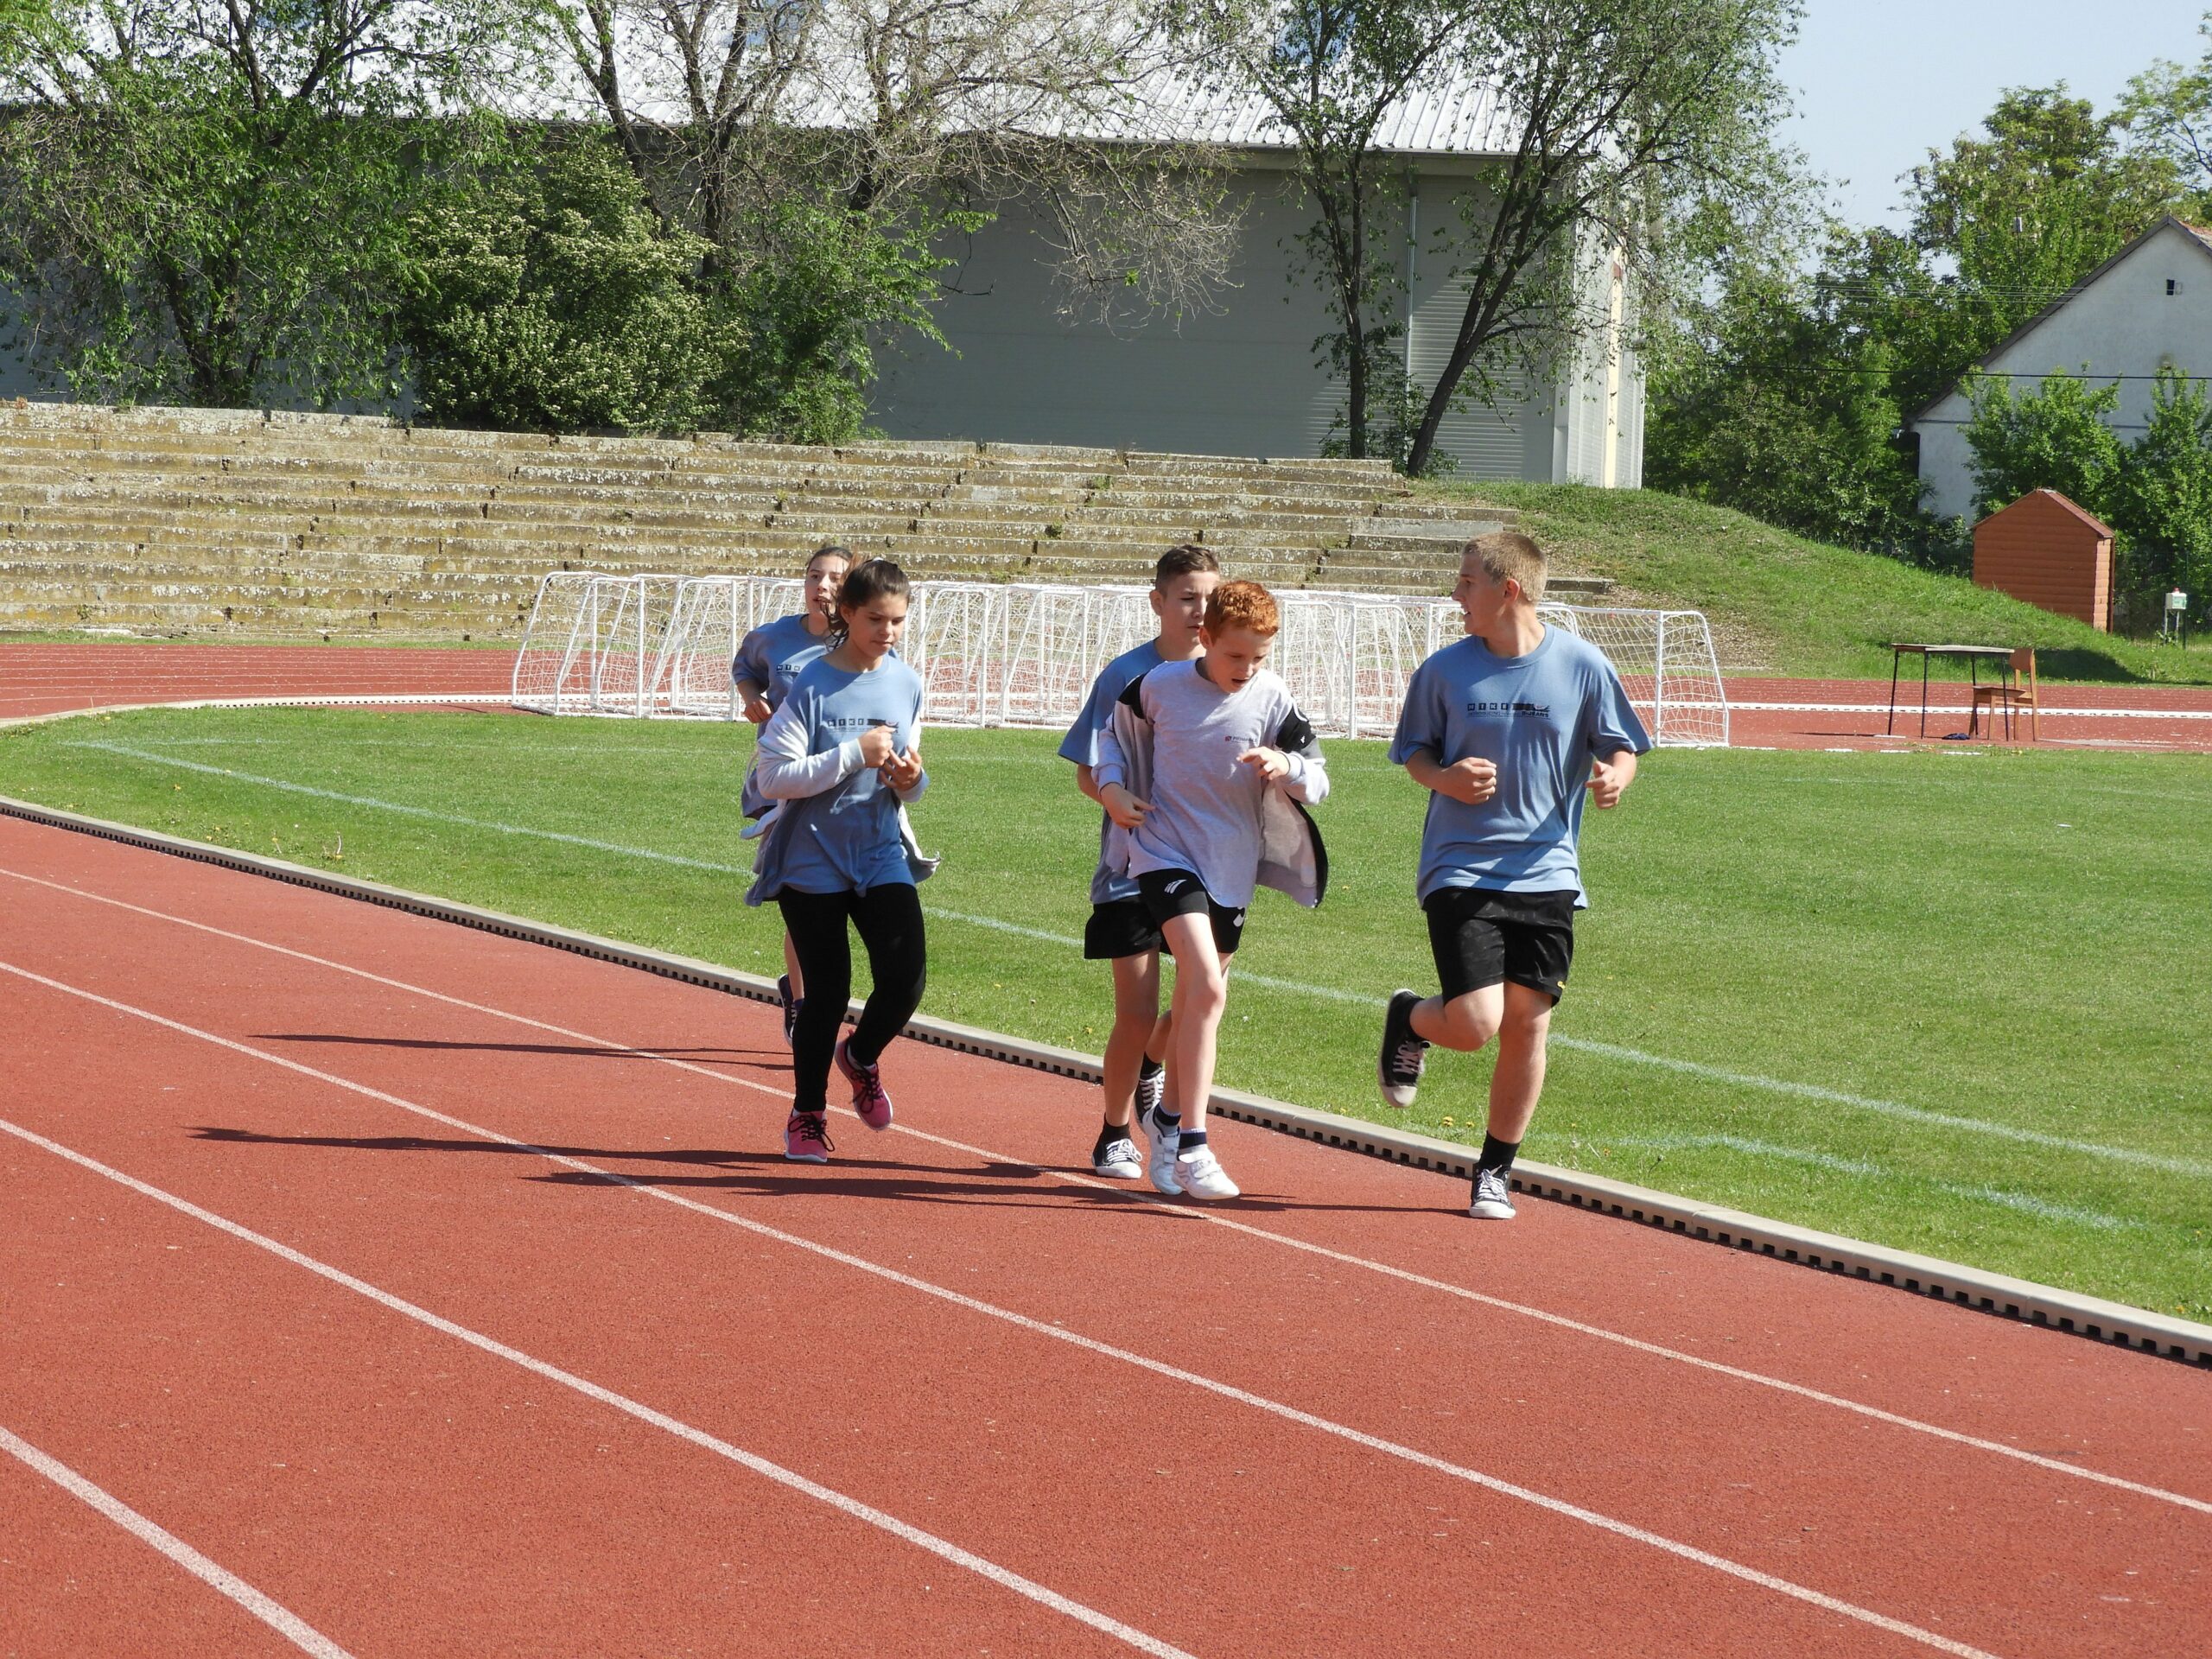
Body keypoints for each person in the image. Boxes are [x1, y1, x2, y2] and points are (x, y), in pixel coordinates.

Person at [1378, 531, 1649, 1219]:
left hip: (1549, 868)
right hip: (1461, 865)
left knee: (1527, 1025)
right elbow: (1414, 755)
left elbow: (1621, 745)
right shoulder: (1442, 672)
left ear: (1509, 591)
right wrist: (1445, 777)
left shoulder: (1583, 665)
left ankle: (1495, 1171)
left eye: (1466, 582)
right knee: (1474, 1025)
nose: (1455, 594)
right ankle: (1410, 1018)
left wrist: (1616, 777)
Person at [1094, 580, 1328, 1201]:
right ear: (1205, 638)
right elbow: (1111, 741)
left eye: (1258, 658)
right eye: (1234, 657)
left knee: (1201, 999)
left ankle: (1167, 1120)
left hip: (1232, 866)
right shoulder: (1157, 686)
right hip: (1164, 853)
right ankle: (1195, 1142)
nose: (1246, 670)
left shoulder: (1274, 697)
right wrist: (1114, 791)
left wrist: (1290, 769)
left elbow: (1321, 778)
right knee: (1203, 980)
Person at [747, 560, 933, 1164]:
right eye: (875, 618)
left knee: (906, 977)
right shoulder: (812, 685)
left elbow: (910, 775)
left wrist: (911, 779)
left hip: (878, 852)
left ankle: (859, 1055)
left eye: (898, 620)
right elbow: (774, 776)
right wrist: (853, 752)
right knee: (827, 993)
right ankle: (807, 1114)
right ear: (847, 613)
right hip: (811, 857)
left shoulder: (906, 682)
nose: (887, 630)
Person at [1058, 545, 1220, 1179]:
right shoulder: (1125, 675)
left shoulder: (1229, 673)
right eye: (1187, 597)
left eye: (1210, 597)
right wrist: (1112, 793)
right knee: (1136, 1010)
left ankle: (1160, 1078)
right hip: (1130, 867)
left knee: (1198, 999)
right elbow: (1086, 768)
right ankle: (1114, 1133)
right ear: (1158, 602)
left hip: (1206, 870)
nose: (1199, 610)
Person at [734, 543, 853, 1044]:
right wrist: (751, 699)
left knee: (836, 895)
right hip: (782, 777)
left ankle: (803, 989)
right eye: (813, 577)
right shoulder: (773, 637)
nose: (821, 587)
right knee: (803, 891)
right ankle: (802, 1001)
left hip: (842, 781)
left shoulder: (860, 644)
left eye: (833, 579)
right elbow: (745, 669)